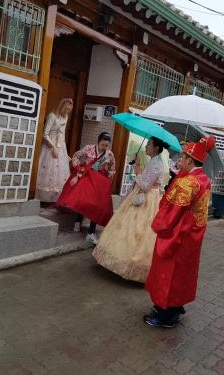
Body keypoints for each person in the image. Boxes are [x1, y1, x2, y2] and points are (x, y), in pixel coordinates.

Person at [144, 136, 216, 328]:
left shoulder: (188, 182)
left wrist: (161, 226)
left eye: (183, 157)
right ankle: (174, 308)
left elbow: (171, 212)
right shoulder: (202, 179)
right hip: (192, 234)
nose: (179, 161)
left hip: (178, 233)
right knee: (182, 273)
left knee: (168, 272)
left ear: (190, 160)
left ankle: (165, 314)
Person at [93, 137, 166, 283]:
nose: (146, 146)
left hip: (147, 201)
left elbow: (145, 185)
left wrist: (137, 171)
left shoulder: (157, 164)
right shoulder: (153, 161)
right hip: (142, 196)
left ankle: (134, 266)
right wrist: (138, 166)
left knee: (140, 232)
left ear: (156, 148)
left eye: (149, 145)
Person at [56, 132, 116, 245]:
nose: (104, 147)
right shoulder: (89, 148)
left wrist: (110, 174)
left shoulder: (109, 154)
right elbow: (76, 156)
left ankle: (91, 232)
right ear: (98, 142)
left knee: (96, 206)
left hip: (99, 182)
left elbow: (112, 168)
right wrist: (79, 167)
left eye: (107, 145)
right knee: (83, 200)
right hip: (87, 177)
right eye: (103, 144)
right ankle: (78, 221)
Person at [35, 98, 73, 203]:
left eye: (68, 110)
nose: (66, 112)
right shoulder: (52, 116)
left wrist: (65, 153)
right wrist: (52, 147)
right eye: (65, 110)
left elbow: (63, 134)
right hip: (49, 146)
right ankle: (43, 197)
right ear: (61, 107)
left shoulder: (65, 117)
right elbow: (45, 134)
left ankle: (55, 198)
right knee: (48, 170)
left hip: (61, 147)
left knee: (59, 173)